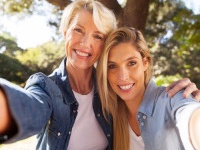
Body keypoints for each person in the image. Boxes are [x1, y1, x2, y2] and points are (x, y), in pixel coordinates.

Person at [0, 0, 199, 149]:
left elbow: (187, 118)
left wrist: (191, 103)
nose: (86, 43)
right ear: (64, 32)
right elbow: (31, 108)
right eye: (78, 30)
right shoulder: (47, 88)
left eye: (97, 36)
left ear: (104, 45)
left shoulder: (110, 91)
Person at [96, 27, 200, 150]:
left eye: (132, 63)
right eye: (112, 66)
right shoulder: (111, 118)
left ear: (145, 63)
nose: (123, 76)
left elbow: (191, 117)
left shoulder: (171, 98)